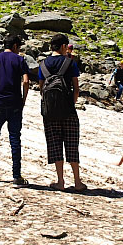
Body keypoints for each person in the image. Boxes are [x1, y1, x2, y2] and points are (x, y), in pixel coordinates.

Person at [38, 33, 86, 192]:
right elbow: (76, 89)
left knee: (55, 145)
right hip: (68, 111)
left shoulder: (43, 64)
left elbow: (41, 88)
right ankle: (77, 182)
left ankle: (60, 181)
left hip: (50, 112)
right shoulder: (70, 63)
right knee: (72, 145)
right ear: (64, 46)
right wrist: (71, 103)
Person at [0, 35, 30, 185]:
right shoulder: (20, 60)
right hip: (15, 103)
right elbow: (26, 81)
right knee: (15, 139)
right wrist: (23, 100)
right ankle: (17, 176)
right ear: (15, 46)